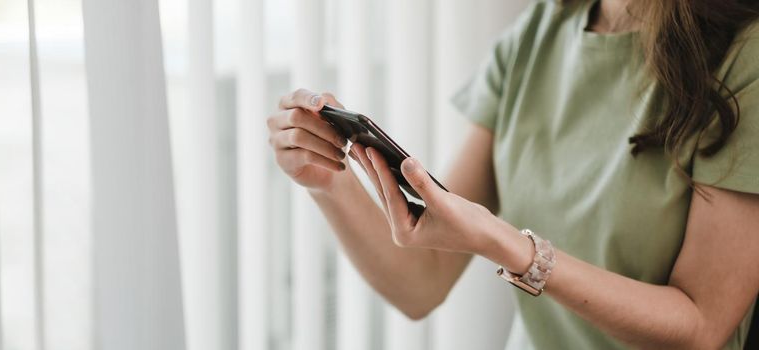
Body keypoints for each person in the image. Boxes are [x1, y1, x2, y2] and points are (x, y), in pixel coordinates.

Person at [266, 0, 759, 348]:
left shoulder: (746, 55)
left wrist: (513, 249)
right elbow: (421, 284)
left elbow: (701, 328)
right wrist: (328, 180)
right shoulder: (537, 32)